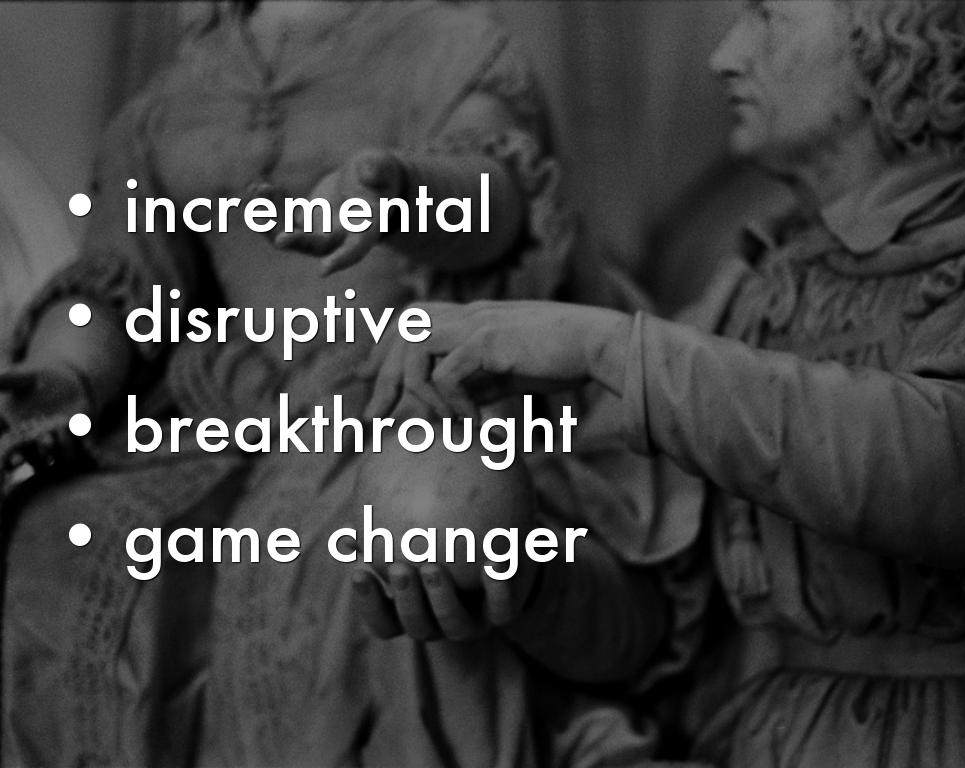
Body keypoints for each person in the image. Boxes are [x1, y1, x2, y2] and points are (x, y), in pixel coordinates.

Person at [0, 2, 689, 766]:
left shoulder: (452, 48)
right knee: (60, 536)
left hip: (401, 392)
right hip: (228, 418)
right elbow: (121, 280)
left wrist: (397, 193)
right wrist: (64, 377)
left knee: (366, 551)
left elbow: (496, 205)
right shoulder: (174, 94)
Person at [363, 1, 965, 765]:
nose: (724, 56)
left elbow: (959, 476)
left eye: (768, 16)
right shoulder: (756, 291)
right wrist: (523, 578)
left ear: (895, 31)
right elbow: (660, 636)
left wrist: (608, 348)